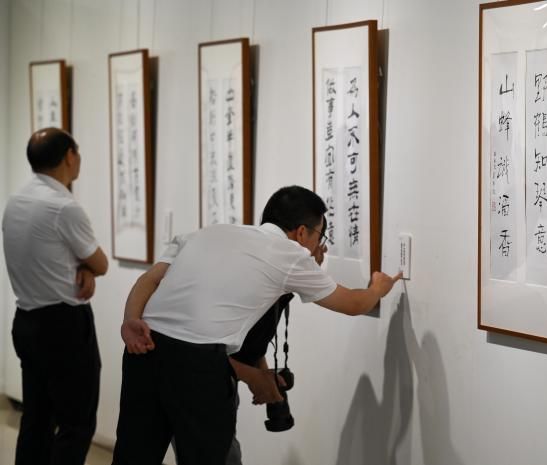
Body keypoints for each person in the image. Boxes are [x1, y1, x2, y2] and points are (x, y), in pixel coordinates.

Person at [112, 185, 401, 465]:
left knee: (134, 455)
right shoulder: (290, 254)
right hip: (198, 368)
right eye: (320, 235)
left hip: (143, 350)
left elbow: (149, 279)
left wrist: (130, 321)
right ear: (302, 232)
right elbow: (353, 304)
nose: (318, 246)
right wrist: (378, 288)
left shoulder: (206, 233)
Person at [2, 128, 109, 465]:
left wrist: (84, 268)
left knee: (36, 419)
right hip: (63, 325)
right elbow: (101, 263)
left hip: (27, 321)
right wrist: (89, 268)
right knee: (76, 423)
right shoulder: (63, 207)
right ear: (69, 157)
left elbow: (54, 257)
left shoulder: (16, 202)